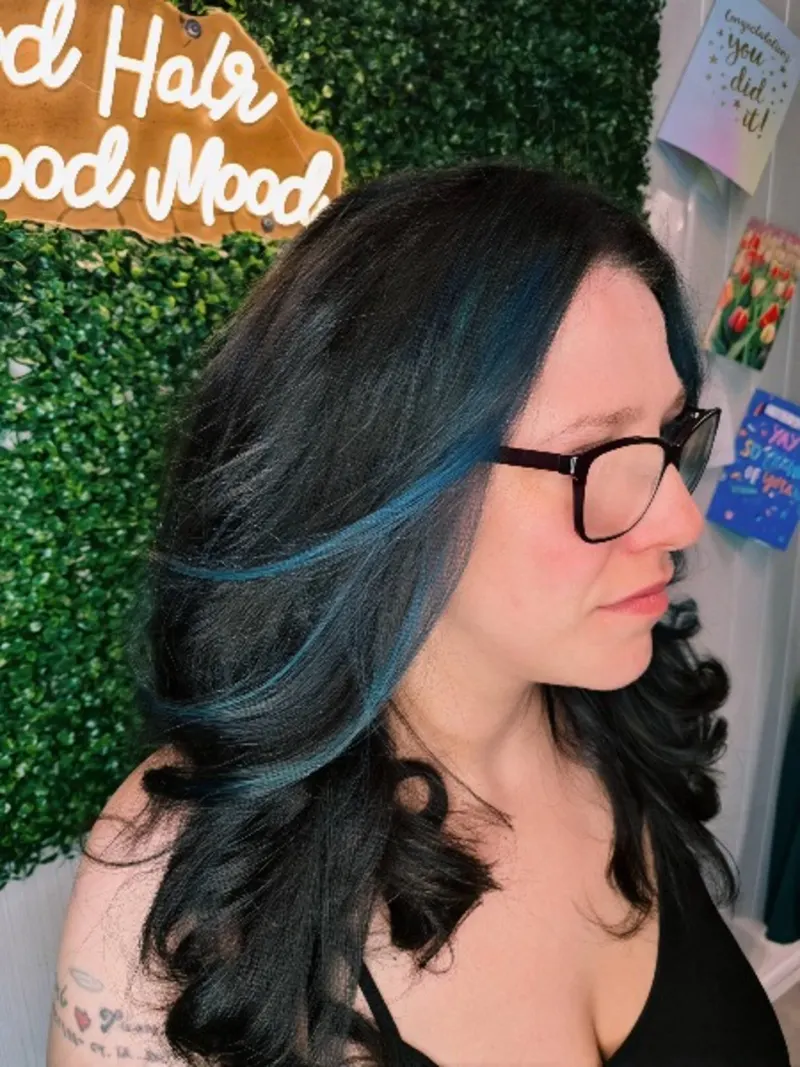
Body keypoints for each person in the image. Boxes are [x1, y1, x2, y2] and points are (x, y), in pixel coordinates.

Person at [47, 160, 791, 1067]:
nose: (678, 518)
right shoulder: (184, 871)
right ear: (388, 476)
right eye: (601, 453)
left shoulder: (621, 715)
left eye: (670, 436)